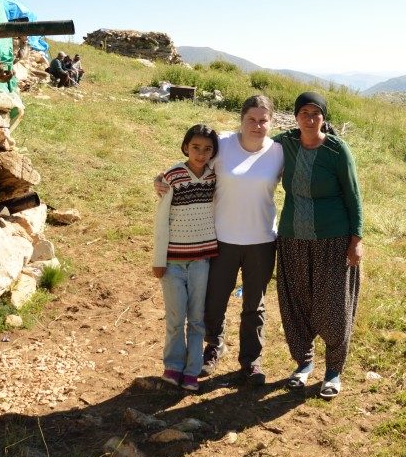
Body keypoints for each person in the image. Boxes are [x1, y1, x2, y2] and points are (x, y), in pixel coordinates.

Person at [154, 95, 283, 386]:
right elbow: (191, 163)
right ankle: (214, 346)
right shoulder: (222, 144)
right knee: (214, 302)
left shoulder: (278, 151)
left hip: (262, 240)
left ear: (271, 122)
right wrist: (161, 178)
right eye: (251, 118)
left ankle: (251, 361)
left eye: (264, 120)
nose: (257, 125)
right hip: (220, 239)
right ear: (241, 119)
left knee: (254, 305)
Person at [274, 91, 363, 400]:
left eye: (316, 113)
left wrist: (357, 238)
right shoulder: (285, 144)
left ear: (324, 118)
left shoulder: (337, 151)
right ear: (296, 116)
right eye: (304, 113)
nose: (310, 118)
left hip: (333, 241)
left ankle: (333, 371)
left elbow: (353, 196)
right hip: (292, 238)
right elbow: (248, 148)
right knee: (296, 303)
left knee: (334, 306)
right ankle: (303, 364)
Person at [152, 124, 219, 392]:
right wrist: (158, 259)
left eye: (207, 149)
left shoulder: (216, 177)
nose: (201, 154)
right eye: (195, 148)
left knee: (197, 317)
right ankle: (173, 365)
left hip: (202, 259)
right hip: (173, 262)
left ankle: (192, 370)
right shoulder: (173, 177)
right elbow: (161, 220)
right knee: (175, 316)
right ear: (185, 147)